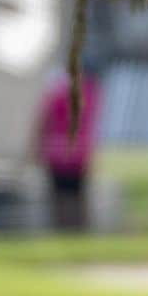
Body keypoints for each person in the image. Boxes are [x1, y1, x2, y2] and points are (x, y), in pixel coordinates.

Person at [37, 67, 103, 232]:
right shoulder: (90, 92)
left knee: (63, 198)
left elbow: (43, 121)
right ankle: (75, 230)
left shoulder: (58, 92)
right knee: (74, 198)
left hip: (62, 153)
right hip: (74, 153)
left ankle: (67, 230)